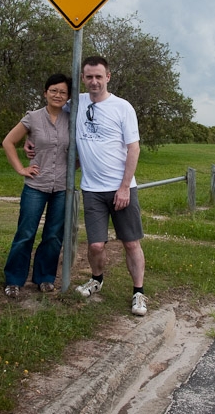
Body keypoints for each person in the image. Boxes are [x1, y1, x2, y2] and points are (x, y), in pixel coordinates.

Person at [70, 56, 148, 316]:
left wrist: (124, 187)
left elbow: (133, 148)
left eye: (99, 76)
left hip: (121, 188)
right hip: (92, 189)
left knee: (131, 243)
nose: (94, 81)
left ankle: (138, 293)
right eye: (89, 77)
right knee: (95, 245)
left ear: (108, 77)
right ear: (83, 78)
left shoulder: (122, 107)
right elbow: (50, 113)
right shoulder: (77, 103)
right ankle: (96, 279)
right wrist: (29, 136)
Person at [1, 73, 71, 298]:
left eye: (63, 92)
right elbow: (8, 142)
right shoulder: (33, 117)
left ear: (68, 96)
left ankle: (45, 277)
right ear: (45, 93)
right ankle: (14, 280)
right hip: (36, 185)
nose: (58, 95)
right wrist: (21, 168)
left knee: (53, 235)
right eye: (53, 90)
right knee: (26, 233)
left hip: (62, 187)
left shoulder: (72, 118)